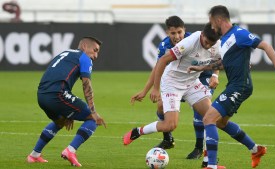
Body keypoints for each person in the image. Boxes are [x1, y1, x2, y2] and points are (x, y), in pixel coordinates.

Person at [187, 5, 275, 169]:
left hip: (240, 86)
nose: (211, 27)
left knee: (208, 119)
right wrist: (201, 68)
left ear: (219, 20)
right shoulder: (225, 39)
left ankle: (211, 165)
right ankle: (255, 149)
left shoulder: (239, 34)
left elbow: (266, 46)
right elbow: (223, 63)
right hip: (235, 85)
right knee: (220, 123)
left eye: (212, 23)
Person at [124, 22, 225, 169]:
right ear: (202, 35)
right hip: (172, 82)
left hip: (192, 82)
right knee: (170, 124)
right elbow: (163, 61)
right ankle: (137, 131)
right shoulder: (189, 42)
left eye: (211, 44)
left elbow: (220, 61)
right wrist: (155, 89)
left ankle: (208, 162)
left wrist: (218, 74)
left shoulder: (216, 43)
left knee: (211, 117)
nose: (208, 46)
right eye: (206, 42)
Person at [26, 36, 106, 167]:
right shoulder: (84, 58)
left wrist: (66, 111)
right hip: (57, 94)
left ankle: (34, 155)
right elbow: (87, 85)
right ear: (85, 47)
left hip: (41, 95)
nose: (96, 55)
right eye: (95, 50)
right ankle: (70, 150)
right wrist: (93, 111)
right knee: (92, 119)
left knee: (60, 121)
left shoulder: (65, 53)